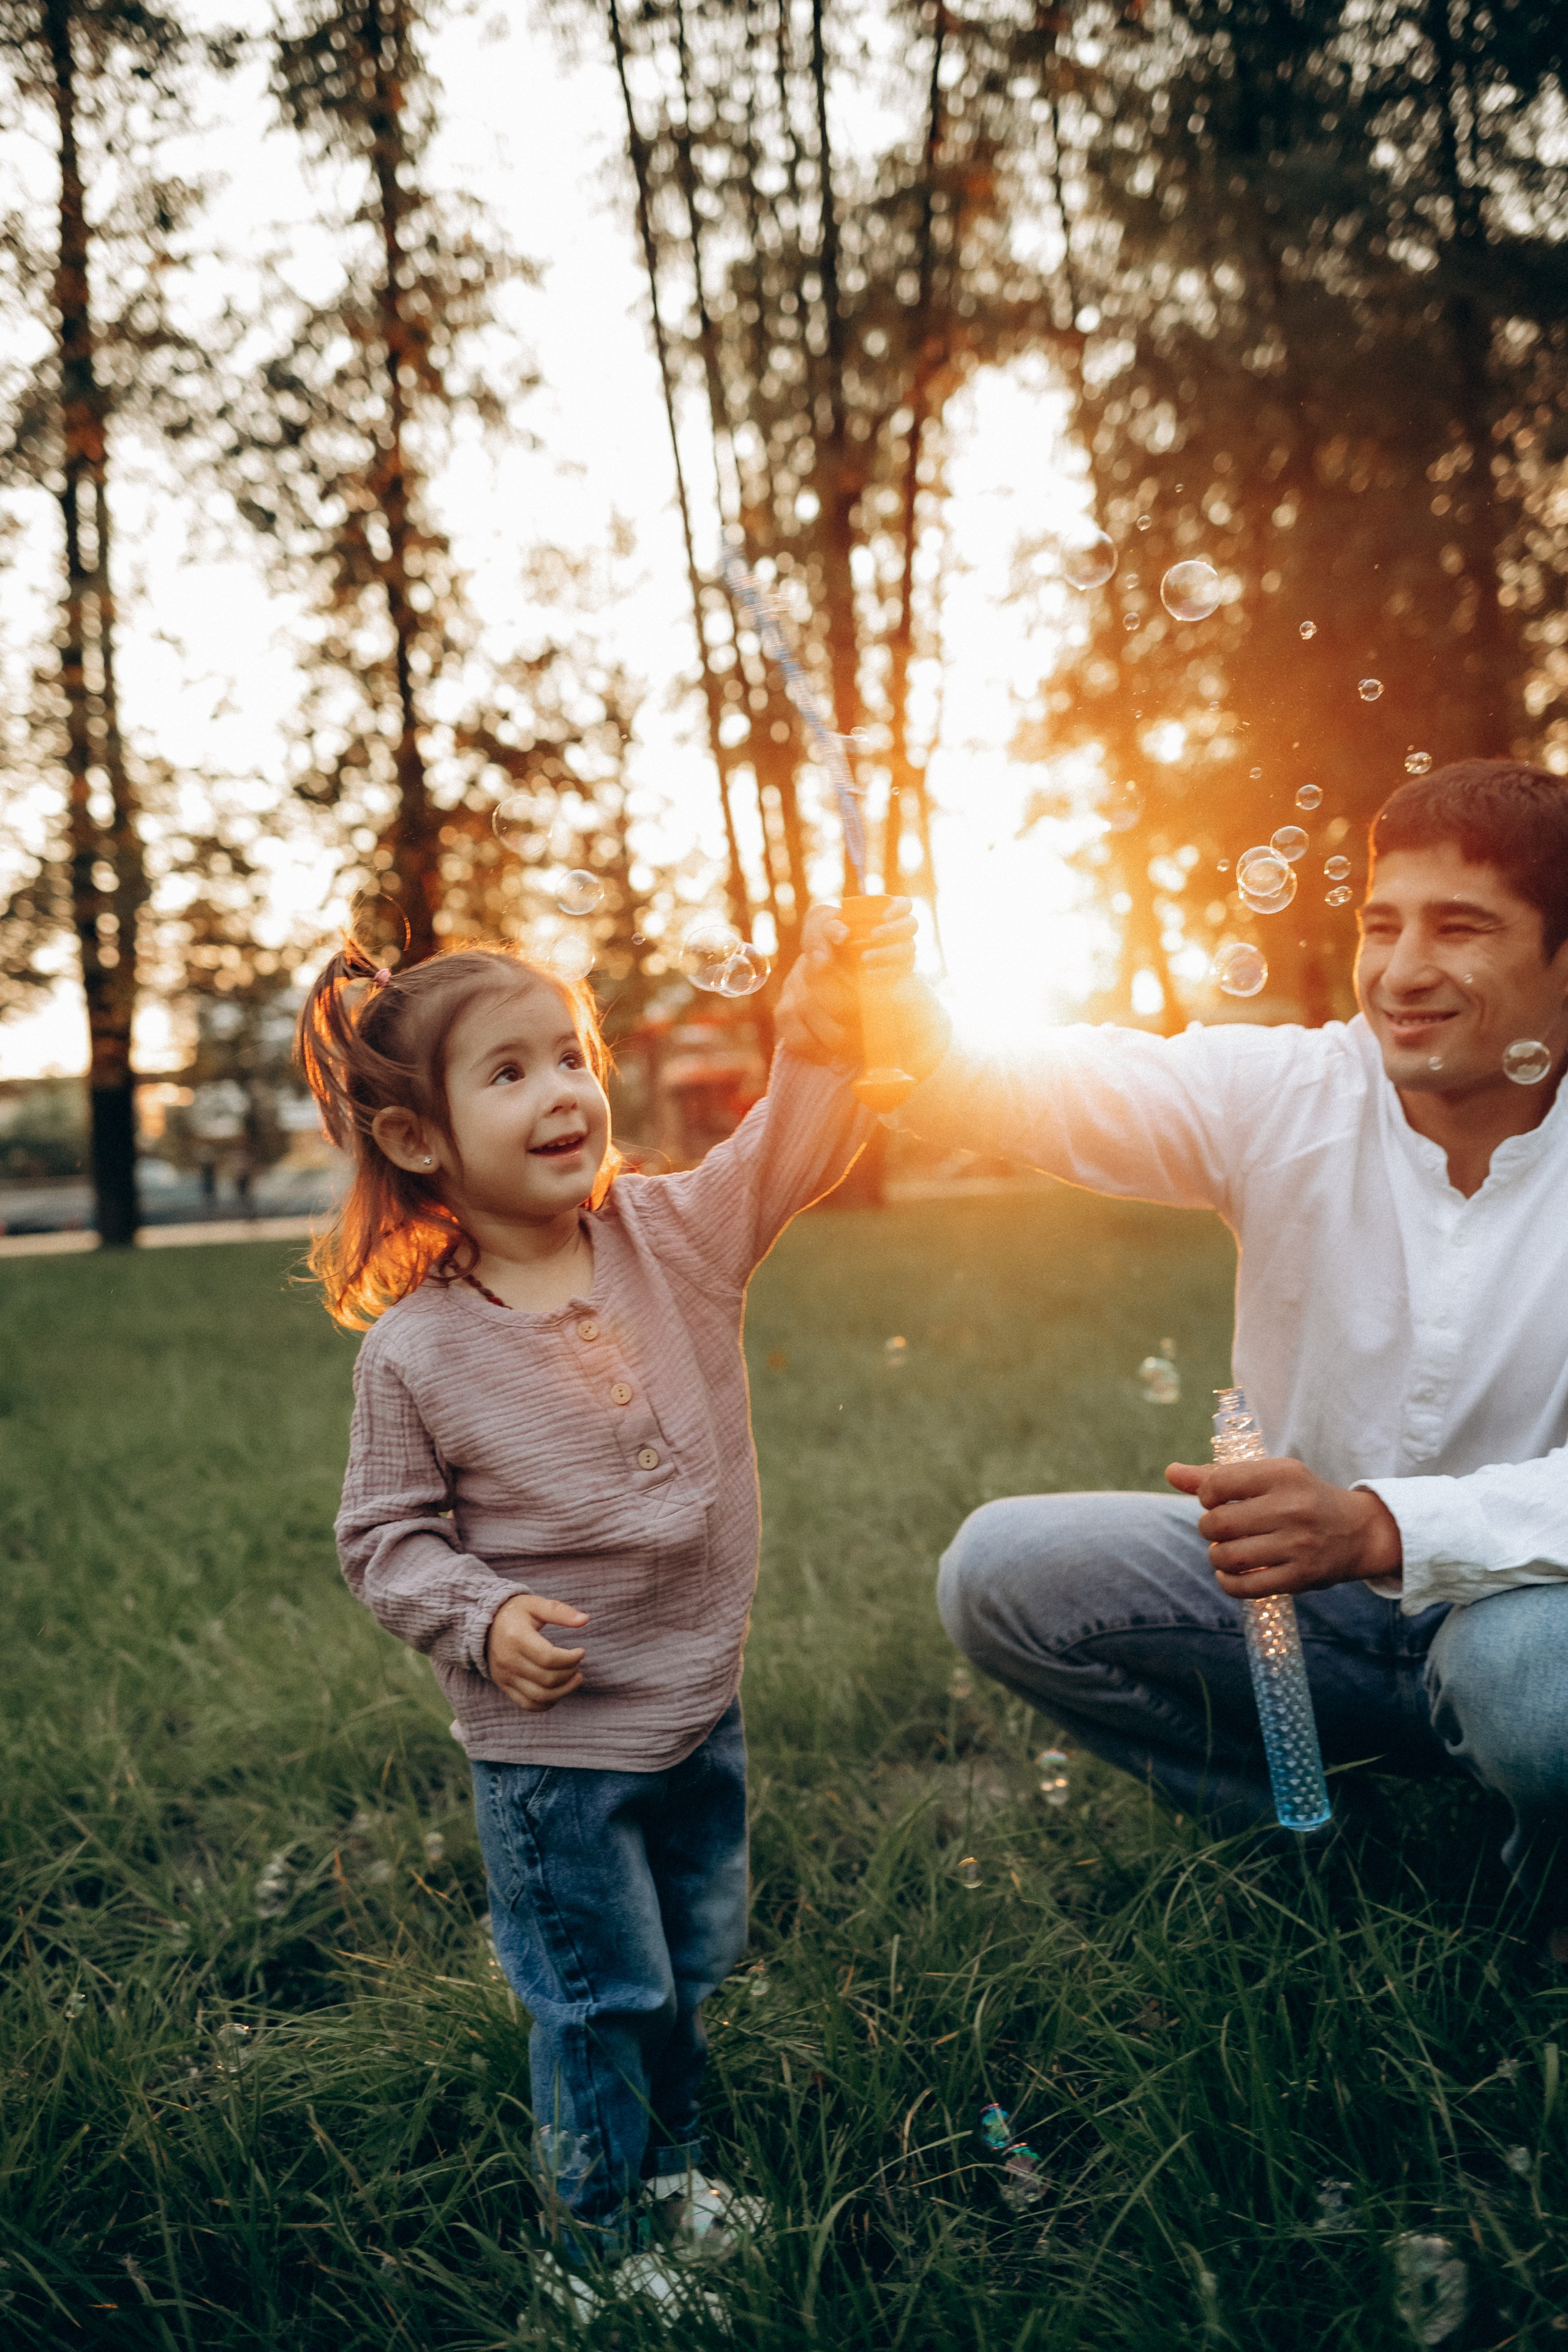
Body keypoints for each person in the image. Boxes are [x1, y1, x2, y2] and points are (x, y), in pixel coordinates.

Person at [777, 760, 1568, 1932]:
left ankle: (1535, 1906)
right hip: (1311, 1609)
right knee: (999, 1572)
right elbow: (1058, 1087)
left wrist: (1384, 1525)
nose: (1402, 971)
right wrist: (916, 1037)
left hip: (1529, 1608)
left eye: (1461, 928)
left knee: (1530, 1683)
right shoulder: (1294, 1090)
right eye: (1381, 924)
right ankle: (1328, 1856)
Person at [296, 906, 940, 2321]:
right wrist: (481, 1615)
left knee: (694, 1968)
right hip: (556, 1763)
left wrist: (823, 1032)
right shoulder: (421, 1351)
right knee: (600, 2000)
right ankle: (595, 2251)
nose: (564, 1091)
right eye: (509, 1072)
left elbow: (786, 1146)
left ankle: (673, 2184)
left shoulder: (667, 1239)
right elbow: (382, 1538)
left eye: (571, 1056)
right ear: (418, 1142)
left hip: (696, 1710)